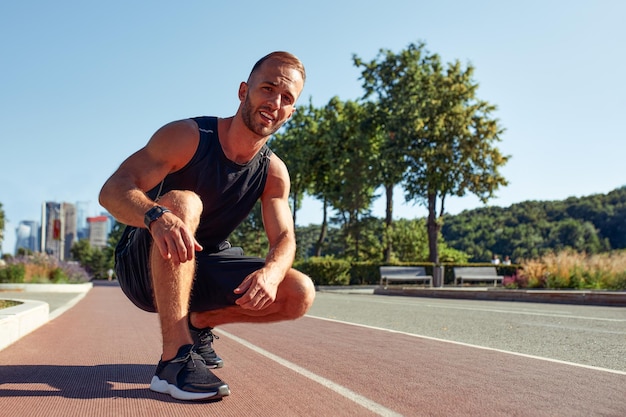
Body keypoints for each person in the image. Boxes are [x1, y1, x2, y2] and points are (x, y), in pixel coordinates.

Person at [99, 51, 316, 401]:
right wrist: (156, 216)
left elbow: (285, 237)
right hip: (143, 258)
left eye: (287, 98)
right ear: (244, 90)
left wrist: (272, 274)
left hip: (204, 262)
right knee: (185, 202)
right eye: (268, 88)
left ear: (291, 112)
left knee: (298, 292)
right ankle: (174, 361)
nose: (275, 102)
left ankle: (198, 324)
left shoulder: (273, 172)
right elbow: (112, 189)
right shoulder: (188, 137)